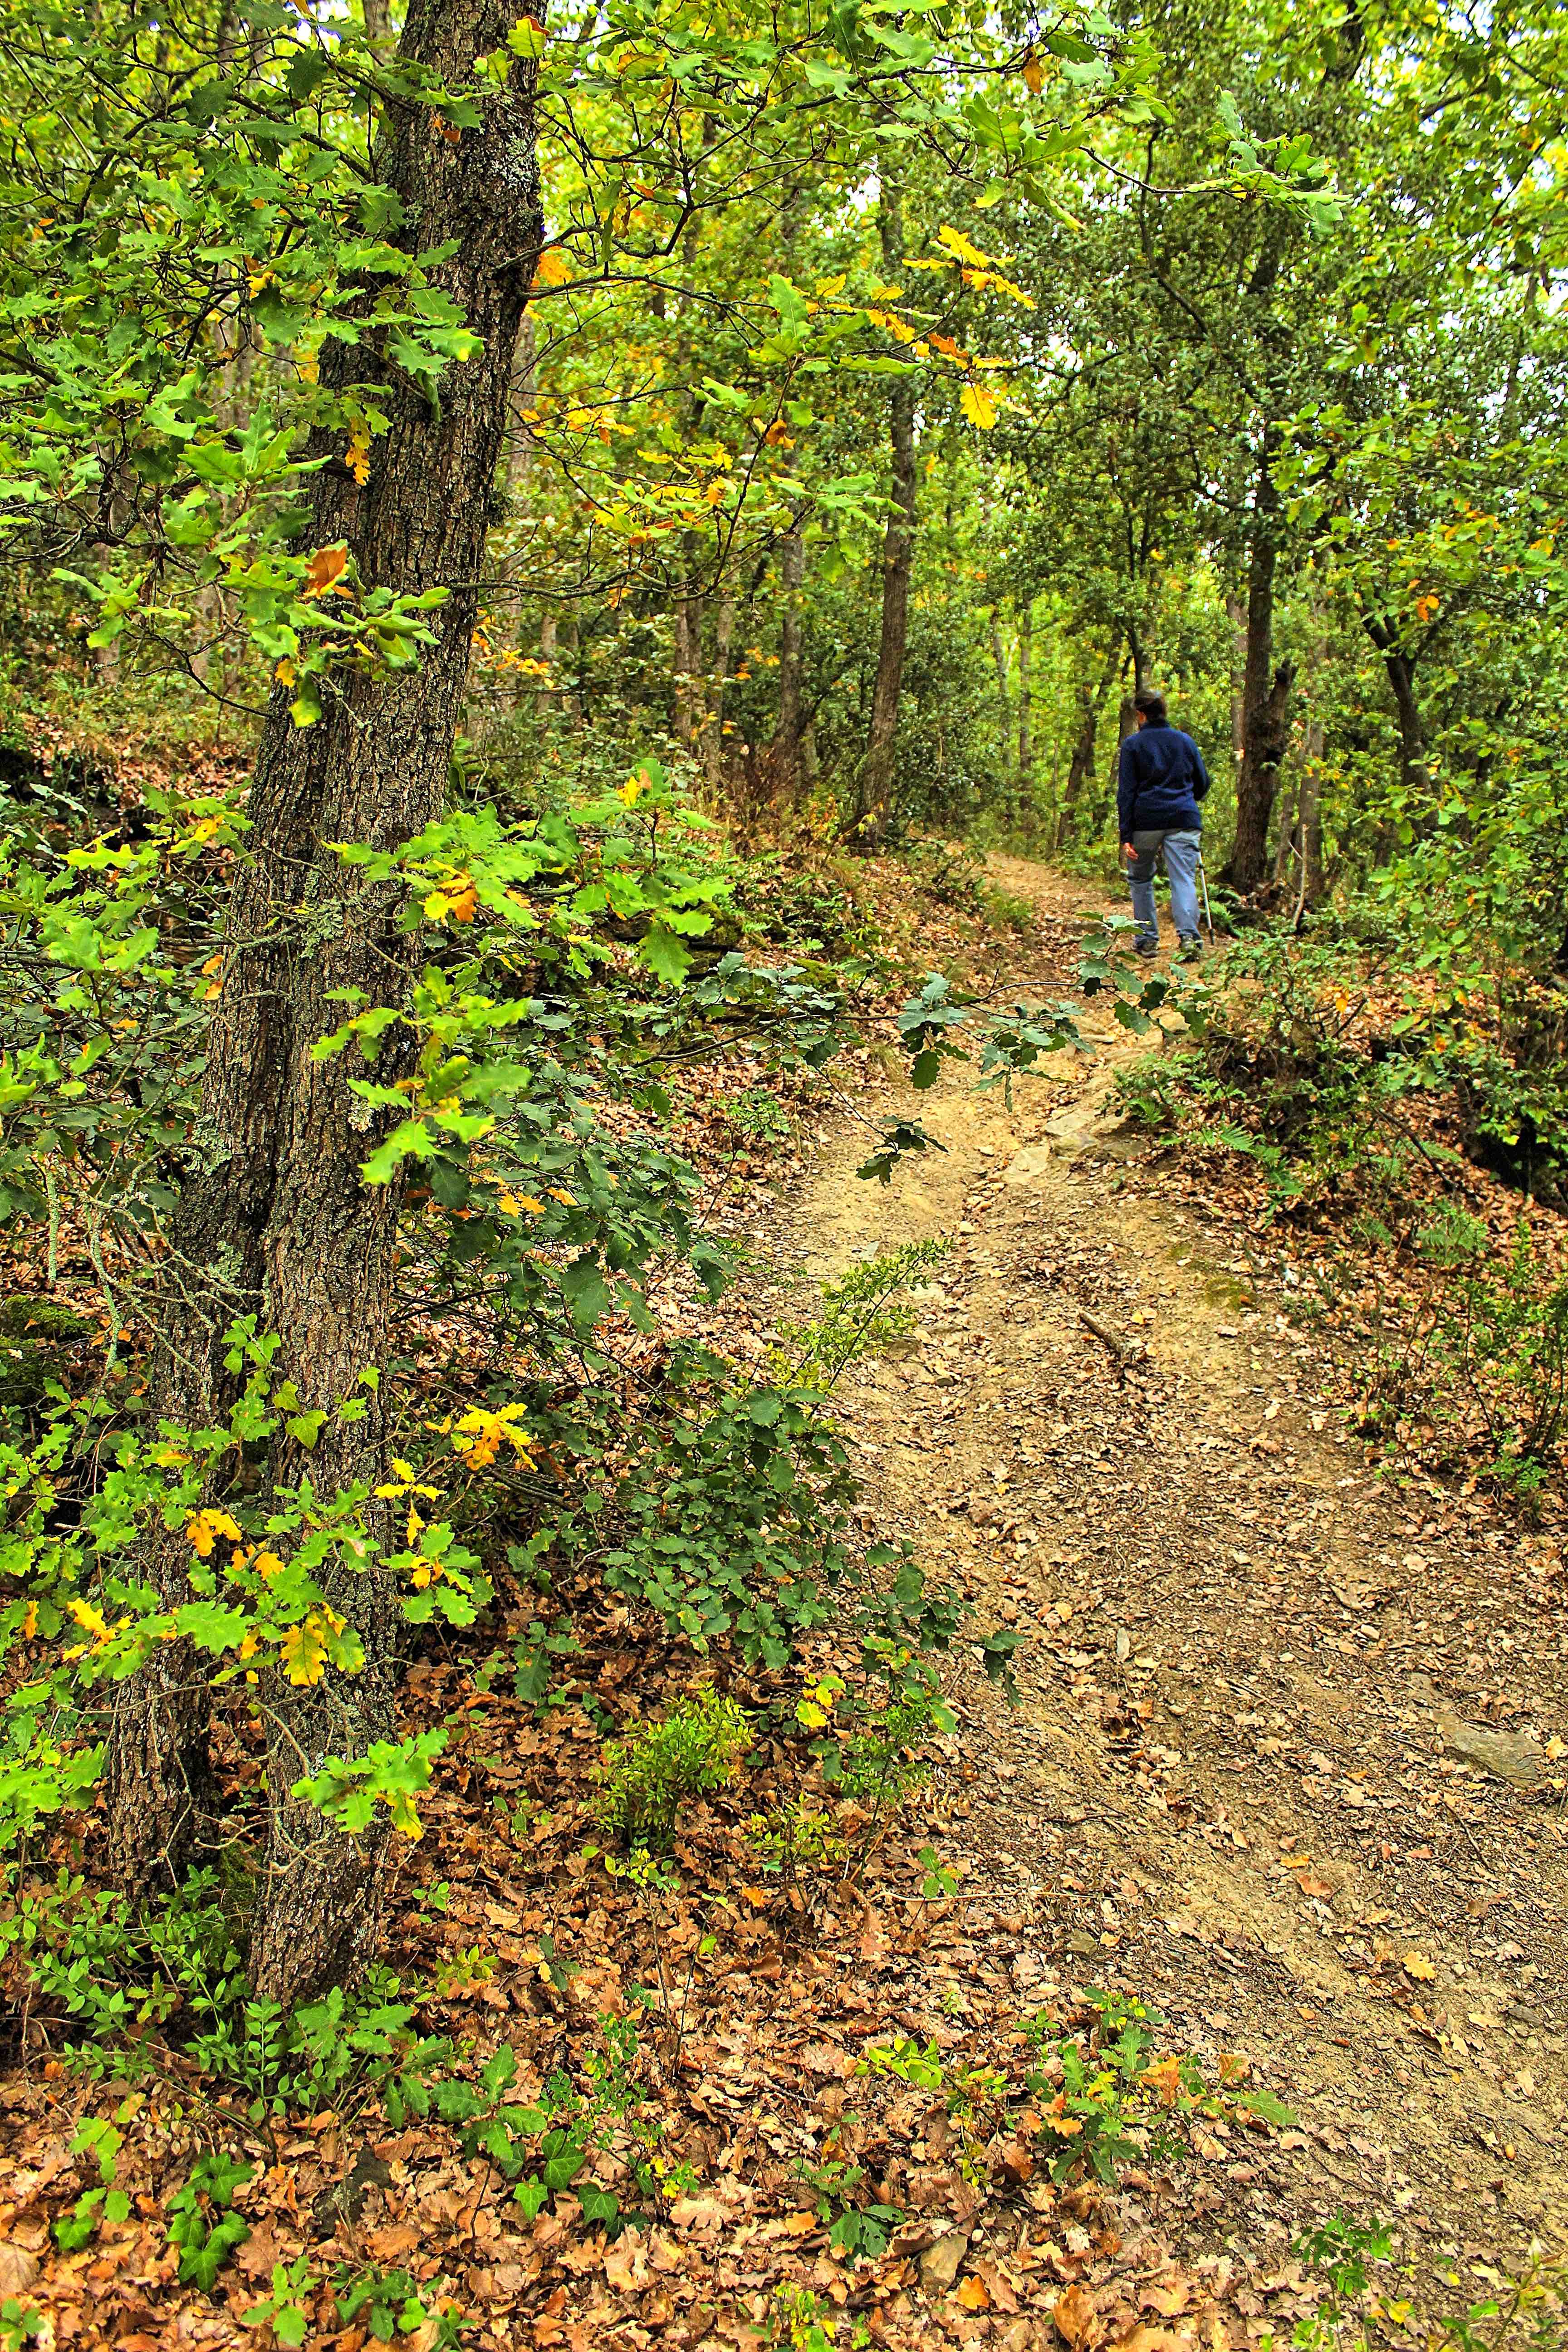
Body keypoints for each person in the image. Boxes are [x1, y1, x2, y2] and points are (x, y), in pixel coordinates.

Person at [1116, 688, 1210, 959]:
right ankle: (1189, 938)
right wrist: (1184, 800)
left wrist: (1126, 835)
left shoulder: (1134, 746)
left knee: (1141, 878)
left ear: (1141, 715)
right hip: (1183, 818)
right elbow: (1202, 783)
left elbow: (1127, 793)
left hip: (1145, 822)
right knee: (1183, 878)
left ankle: (1146, 940)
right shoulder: (1185, 742)